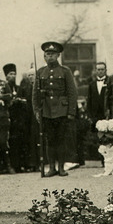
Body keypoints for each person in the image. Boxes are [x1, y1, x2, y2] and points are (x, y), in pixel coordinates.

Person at [33, 41, 78, 177]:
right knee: (49, 140)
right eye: (47, 54)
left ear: (58, 55)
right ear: (44, 57)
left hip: (61, 111)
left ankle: (62, 167)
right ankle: (52, 167)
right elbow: (35, 93)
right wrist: (36, 110)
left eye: (52, 54)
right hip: (46, 111)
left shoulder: (65, 71)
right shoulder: (40, 72)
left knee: (61, 139)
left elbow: (72, 92)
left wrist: (71, 111)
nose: (50, 56)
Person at [4, 63, 28, 173]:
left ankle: (20, 165)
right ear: (6, 76)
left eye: (14, 74)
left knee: (20, 142)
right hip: (8, 118)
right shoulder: (4, 88)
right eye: (10, 74)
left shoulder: (19, 88)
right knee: (11, 143)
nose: (13, 76)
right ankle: (11, 165)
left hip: (19, 119)